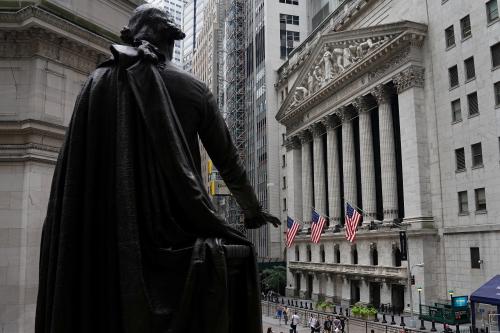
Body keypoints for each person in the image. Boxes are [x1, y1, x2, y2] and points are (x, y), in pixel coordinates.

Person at [34, 4, 280, 333]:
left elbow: (74, 178)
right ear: (172, 41)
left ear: (132, 36)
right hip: (179, 233)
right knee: (242, 254)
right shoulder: (193, 89)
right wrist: (252, 211)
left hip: (109, 238)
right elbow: (229, 162)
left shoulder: (97, 82)